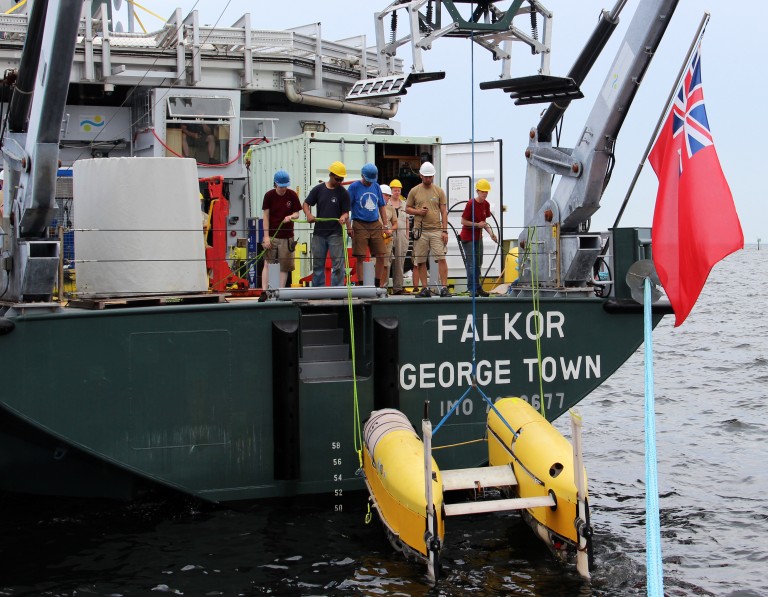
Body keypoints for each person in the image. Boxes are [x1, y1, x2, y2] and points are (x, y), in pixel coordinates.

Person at [303, 161, 351, 287]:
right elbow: (306, 203)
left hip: (336, 234)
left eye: (341, 179)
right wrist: (308, 214)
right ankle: (318, 291)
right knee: (318, 264)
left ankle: (337, 291)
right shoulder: (318, 189)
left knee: (338, 265)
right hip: (319, 233)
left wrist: (343, 217)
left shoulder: (343, 193)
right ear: (331, 175)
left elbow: (346, 212)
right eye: (337, 179)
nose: (340, 181)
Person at [406, 161, 450, 297]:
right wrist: (418, 212)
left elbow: (444, 212)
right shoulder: (414, 191)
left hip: (436, 229)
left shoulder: (439, 191)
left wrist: (444, 230)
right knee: (420, 260)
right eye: (426, 176)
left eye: (430, 176)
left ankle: (444, 287)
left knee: (441, 258)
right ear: (421, 176)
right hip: (420, 231)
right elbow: (407, 208)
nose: (428, 179)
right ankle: (424, 288)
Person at [348, 163, 391, 286]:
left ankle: (378, 283)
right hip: (359, 223)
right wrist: (349, 226)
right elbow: (346, 207)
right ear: (362, 176)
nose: (369, 183)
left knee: (381, 253)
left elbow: (381, 206)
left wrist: (385, 225)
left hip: (375, 223)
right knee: (360, 256)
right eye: (367, 180)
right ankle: (361, 285)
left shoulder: (376, 186)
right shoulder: (354, 187)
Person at [260, 169, 302, 300]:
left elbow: (297, 213)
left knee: (284, 266)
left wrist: (291, 216)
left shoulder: (292, 195)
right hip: (272, 235)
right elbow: (265, 216)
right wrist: (266, 237)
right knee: (268, 263)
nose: (283, 189)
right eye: (281, 186)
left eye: (285, 186)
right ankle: (264, 292)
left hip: (287, 236)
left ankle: (281, 292)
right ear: (275, 184)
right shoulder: (269, 196)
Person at [459, 179, 498, 297]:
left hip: (477, 238)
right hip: (468, 237)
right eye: (483, 191)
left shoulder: (486, 204)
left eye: (486, 192)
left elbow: (484, 223)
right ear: (477, 191)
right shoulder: (471, 203)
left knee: (478, 263)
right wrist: (476, 225)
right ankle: (472, 288)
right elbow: (463, 221)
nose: (485, 194)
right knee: (472, 263)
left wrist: (491, 234)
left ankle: (478, 287)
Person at [388, 179, 409, 295]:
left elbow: (407, 221)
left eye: (399, 190)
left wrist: (407, 235)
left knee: (400, 261)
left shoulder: (404, 204)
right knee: (387, 261)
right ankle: (383, 287)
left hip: (401, 236)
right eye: (395, 190)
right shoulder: (386, 204)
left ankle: (398, 288)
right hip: (389, 235)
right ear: (391, 191)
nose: (397, 192)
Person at [378, 184, 400, 291]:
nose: (388, 198)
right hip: (376, 240)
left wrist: (390, 230)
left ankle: (383, 287)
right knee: (375, 264)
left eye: (389, 196)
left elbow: (395, 223)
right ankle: (375, 286)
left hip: (387, 240)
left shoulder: (391, 209)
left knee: (386, 264)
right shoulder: (374, 207)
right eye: (386, 195)